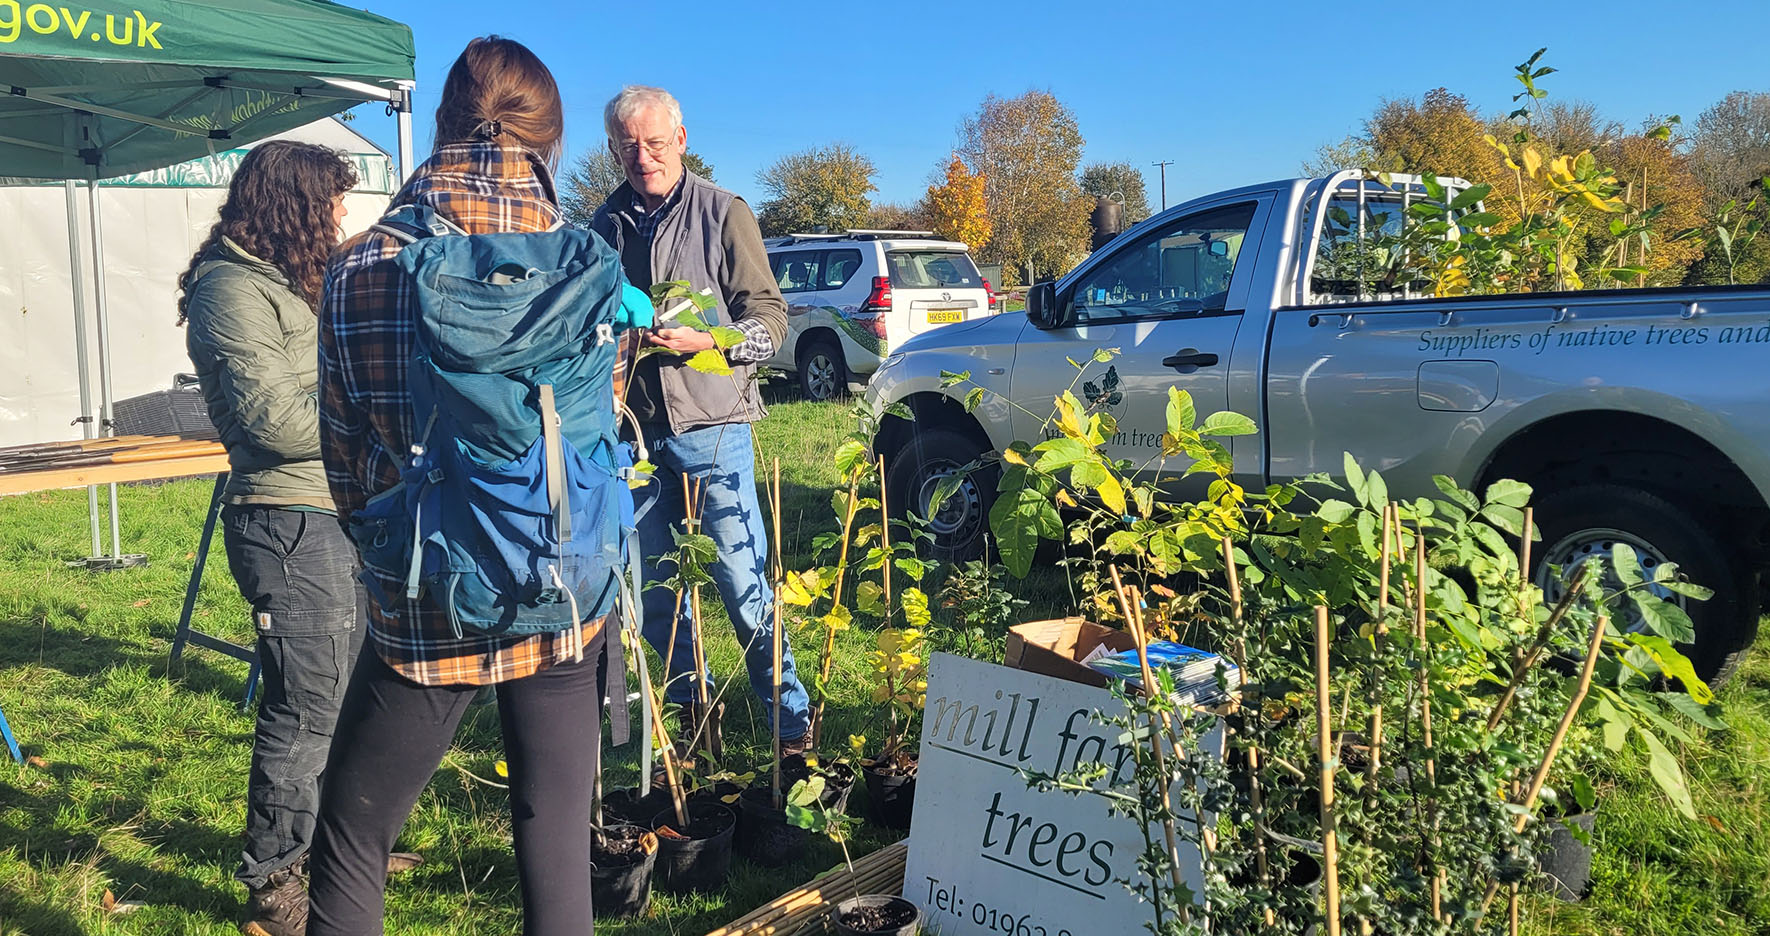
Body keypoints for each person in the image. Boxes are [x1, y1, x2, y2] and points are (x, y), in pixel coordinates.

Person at [306, 37, 612, 936]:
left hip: (427, 596)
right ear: (547, 141)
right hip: (562, 589)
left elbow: (344, 457)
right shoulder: (586, 265)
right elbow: (593, 436)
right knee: (555, 835)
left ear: (441, 127)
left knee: (356, 839)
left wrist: (386, 549)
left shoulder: (361, 266)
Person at [180, 140, 419, 936]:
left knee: (353, 692)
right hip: (288, 520)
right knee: (305, 704)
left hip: (344, 509)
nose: (340, 219)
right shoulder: (229, 289)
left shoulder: (294, 281)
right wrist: (364, 380)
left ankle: (340, 849)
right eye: (331, 203)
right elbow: (273, 421)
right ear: (290, 206)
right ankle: (275, 876)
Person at [591, 86, 811, 755]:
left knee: (744, 586)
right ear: (612, 149)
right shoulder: (603, 229)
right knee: (661, 595)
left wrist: (711, 341)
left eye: (655, 143)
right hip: (636, 438)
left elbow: (772, 318)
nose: (643, 156)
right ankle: (693, 721)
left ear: (681, 139)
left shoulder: (724, 213)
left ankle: (790, 727)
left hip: (715, 429)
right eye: (628, 145)